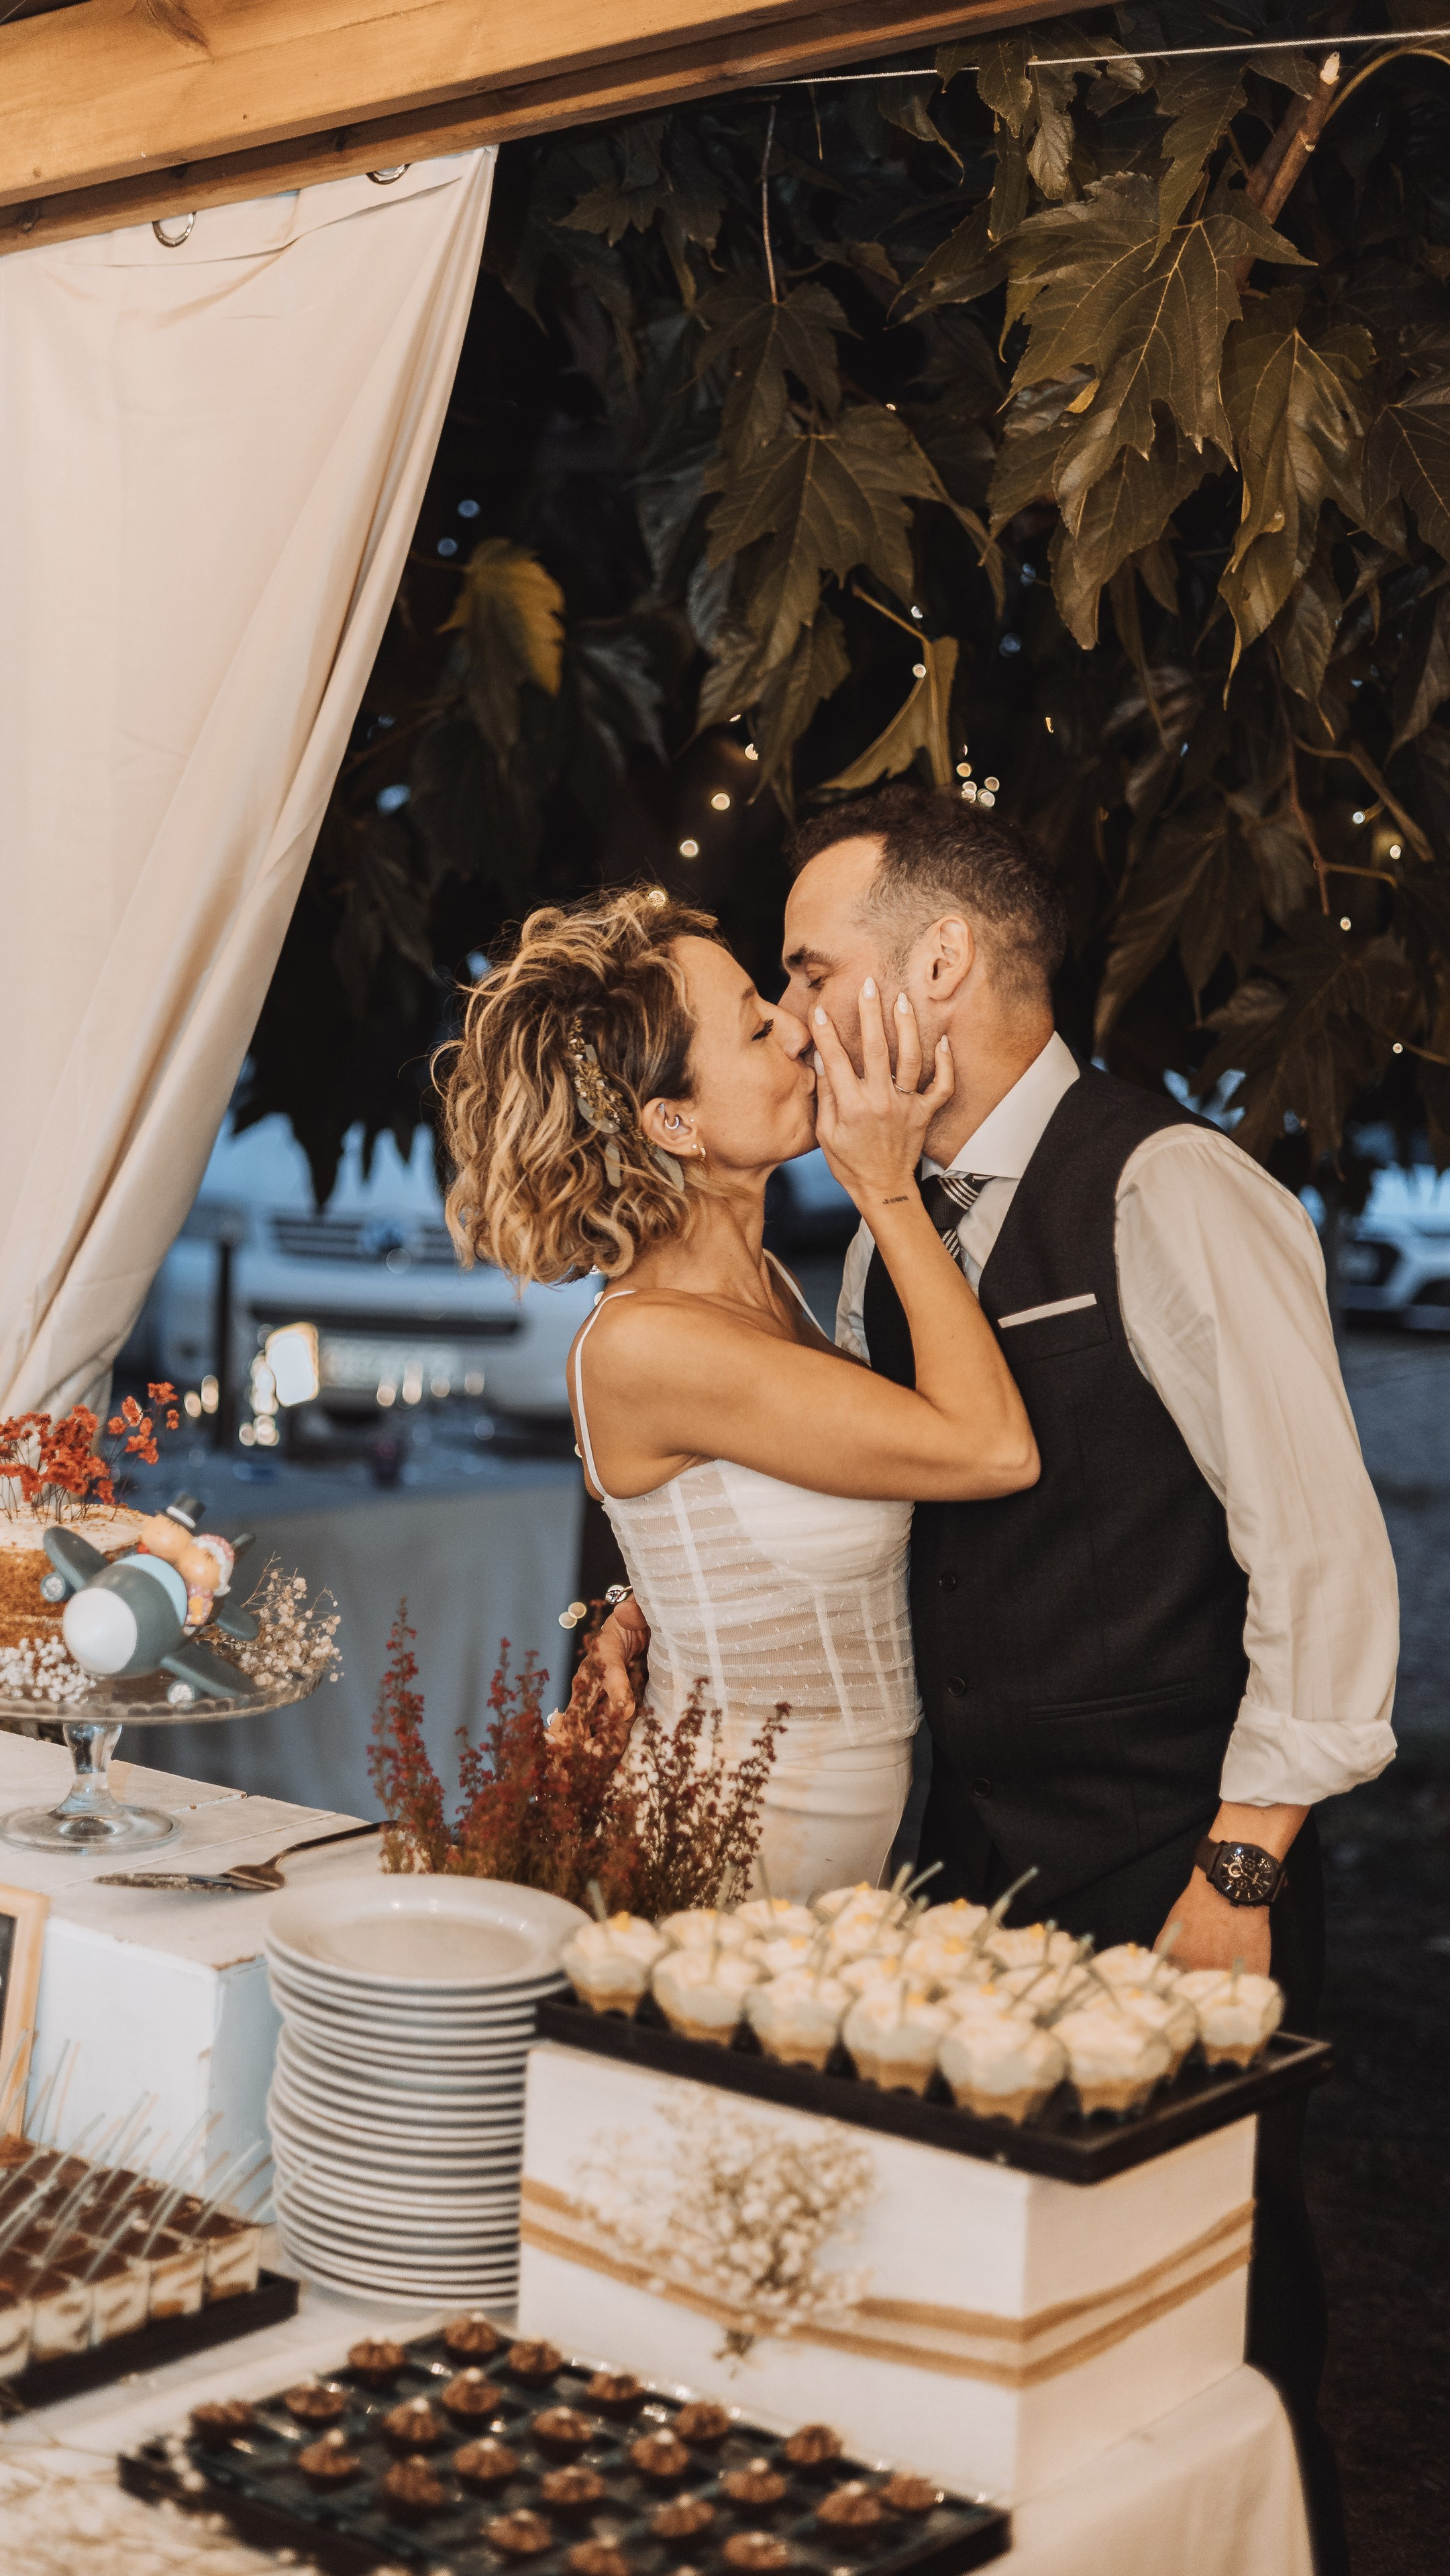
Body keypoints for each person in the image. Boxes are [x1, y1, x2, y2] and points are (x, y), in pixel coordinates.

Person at [591, 784, 1398, 2576]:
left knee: (1219, 2334)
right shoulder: (895, 1241)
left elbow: (1325, 1564)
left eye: (811, 971)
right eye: (775, 996)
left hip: (1172, 1866)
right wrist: (656, 1605)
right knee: (1023, 2356)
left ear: (941, 959)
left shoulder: (1170, 1185)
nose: (794, 1021)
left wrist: (1241, 1865)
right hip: (967, 1874)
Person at [435, 886, 1037, 1897]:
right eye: (759, 1027)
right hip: (726, 1846)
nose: (802, 1030)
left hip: (837, 1836)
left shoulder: (764, 1287)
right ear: (675, 1120)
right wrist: (885, 1185)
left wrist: (640, 1606)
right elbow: (990, 1450)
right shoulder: (649, 1347)